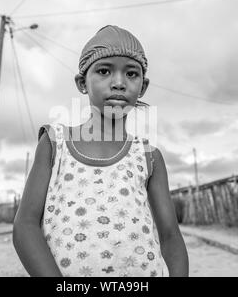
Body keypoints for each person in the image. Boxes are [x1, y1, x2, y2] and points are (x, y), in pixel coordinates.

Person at [13, 25, 189, 277]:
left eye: (131, 74)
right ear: (81, 82)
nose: (119, 83)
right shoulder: (55, 143)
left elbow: (171, 236)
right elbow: (25, 226)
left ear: (143, 86)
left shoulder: (149, 156)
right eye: (104, 71)